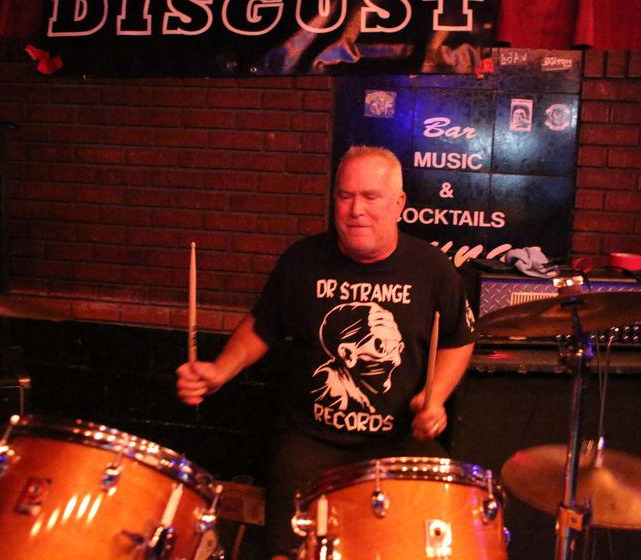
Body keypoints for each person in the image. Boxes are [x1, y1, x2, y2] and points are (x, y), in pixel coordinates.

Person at [176, 145, 476, 559]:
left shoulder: (432, 269)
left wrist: (435, 396)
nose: (356, 210)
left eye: (370, 196)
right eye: (345, 195)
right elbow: (263, 326)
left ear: (399, 204)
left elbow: (458, 340)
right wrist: (220, 371)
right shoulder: (303, 260)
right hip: (309, 441)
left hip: (398, 440)